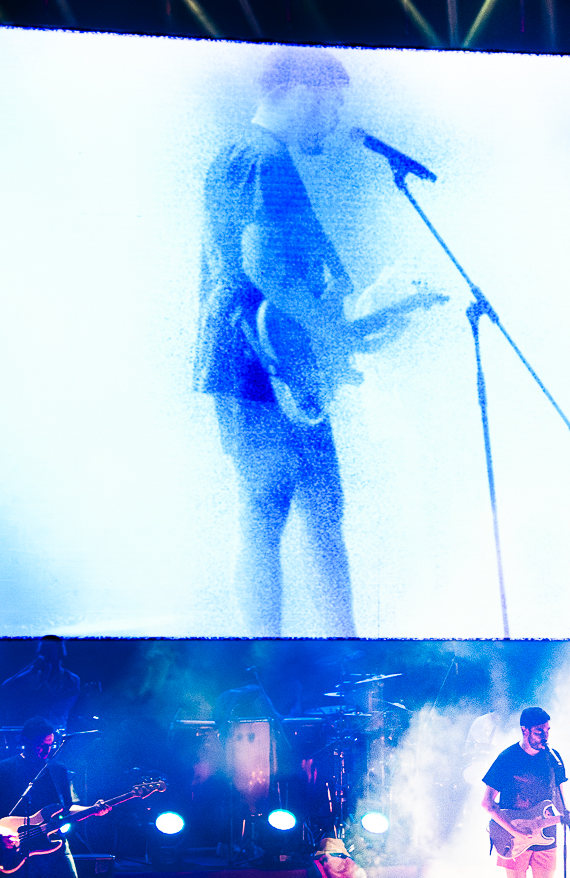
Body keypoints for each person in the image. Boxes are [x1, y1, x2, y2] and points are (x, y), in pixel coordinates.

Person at [195, 48, 417, 637]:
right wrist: (337, 332)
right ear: (300, 89)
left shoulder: (251, 158)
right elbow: (263, 262)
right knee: (281, 511)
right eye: (333, 101)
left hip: (268, 359)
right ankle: (308, 649)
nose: (336, 117)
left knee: (305, 512)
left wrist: (352, 324)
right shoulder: (263, 157)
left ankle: (320, 646)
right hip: (257, 360)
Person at [0, 717, 108, 878]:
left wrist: (92, 809)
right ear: (25, 741)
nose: (46, 751)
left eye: (50, 745)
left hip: (55, 848)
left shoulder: (58, 771)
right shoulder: (4, 768)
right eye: (41, 746)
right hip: (19, 847)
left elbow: (68, 809)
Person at [480, 707, 569, 878]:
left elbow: (560, 798)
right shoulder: (507, 758)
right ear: (525, 730)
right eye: (540, 731)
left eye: (548, 730)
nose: (545, 736)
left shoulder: (554, 758)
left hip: (546, 835)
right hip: (512, 836)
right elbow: (487, 803)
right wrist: (515, 831)